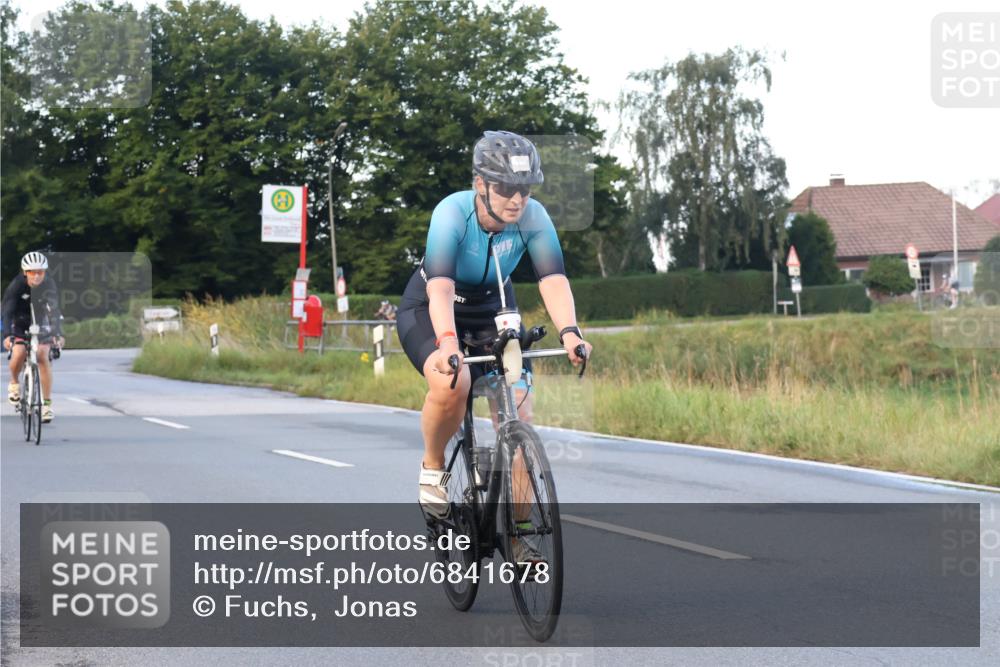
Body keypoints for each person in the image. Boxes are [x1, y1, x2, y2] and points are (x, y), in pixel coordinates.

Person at [395, 131, 592, 563]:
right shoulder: (451, 213)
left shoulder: (534, 216)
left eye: (524, 188)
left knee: (519, 412)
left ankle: (521, 537)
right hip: (432, 309)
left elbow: (552, 279)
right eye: (505, 188)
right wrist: (448, 343)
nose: (516, 199)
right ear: (480, 184)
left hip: (494, 312)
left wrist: (570, 333)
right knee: (454, 381)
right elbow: (442, 288)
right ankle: (432, 468)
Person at [3, 251, 63, 422]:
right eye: (32, 272)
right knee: (19, 352)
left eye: (40, 272)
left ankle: (46, 405)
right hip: (20, 320)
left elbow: (55, 310)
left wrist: (57, 333)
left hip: (40, 319)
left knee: (43, 355)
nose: (37, 276)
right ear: (25, 272)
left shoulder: (49, 284)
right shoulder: (17, 285)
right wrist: (7, 335)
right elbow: (7, 312)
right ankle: (14, 383)